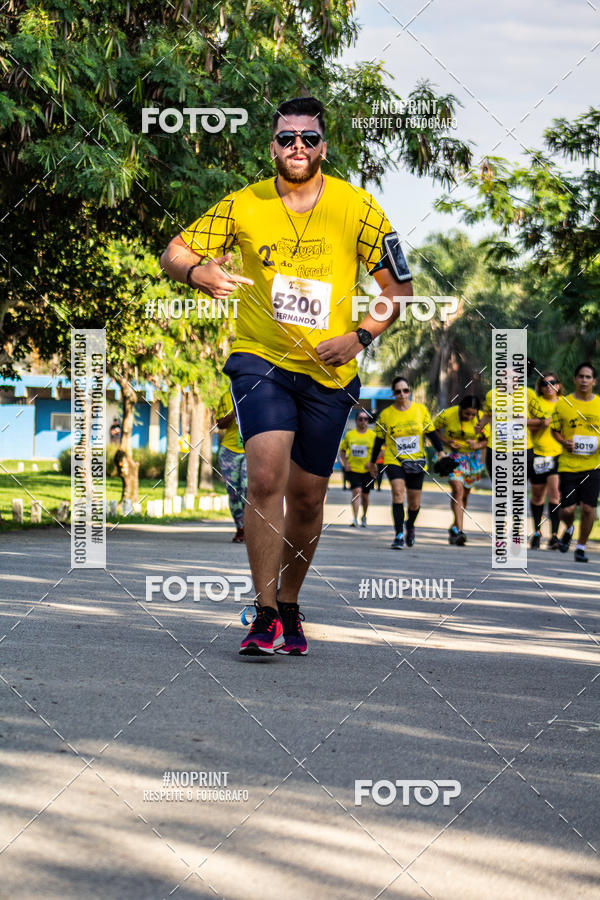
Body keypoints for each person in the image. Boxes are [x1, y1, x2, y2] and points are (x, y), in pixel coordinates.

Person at [160, 95, 413, 655]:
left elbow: (398, 293)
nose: (296, 146)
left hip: (330, 371)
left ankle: (292, 606)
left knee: (306, 499)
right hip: (260, 360)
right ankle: (264, 612)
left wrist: (360, 336)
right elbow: (172, 252)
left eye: (308, 138)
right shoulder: (243, 204)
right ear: (271, 145)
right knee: (265, 479)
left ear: (324, 146)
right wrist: (199, 270)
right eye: (286, 137)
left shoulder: (359, 207)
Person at [368, 376, 444, 549]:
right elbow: (379, 441)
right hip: (394, 459)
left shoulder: (420, 410)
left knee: (415, 502)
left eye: (405, 390)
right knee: (398, 493)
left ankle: (410, 525)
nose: (402, 394)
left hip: (416, 461)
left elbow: (431, 433)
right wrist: (373, 463)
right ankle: (398, 534)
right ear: (393, 394)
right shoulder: (386, 415)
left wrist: (441, 452)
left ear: (409, 391)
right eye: (398, 391)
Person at [551, 362, 600, 563]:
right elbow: (554, 429)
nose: (584, 380)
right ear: (574, 379)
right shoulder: (563, 404)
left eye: (588, 377)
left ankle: (580, 547)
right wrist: (563, 442)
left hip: (594, 465)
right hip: (568, 465)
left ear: (594, 381)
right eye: (581, 376)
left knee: (589, 509)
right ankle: (569, 528)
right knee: (567, 510)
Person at [434, 395, 488, 546]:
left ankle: (454, 525)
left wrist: (476, 445)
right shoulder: (448, 414)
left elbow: (488, 439)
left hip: (472, 460)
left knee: (464, 496)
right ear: (460, 409)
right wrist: (445, 441)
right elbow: (432, 430)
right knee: (457, 490)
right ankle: (460, 531)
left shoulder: (482, 419)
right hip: (453, 458)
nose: (470, 417)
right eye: (466, 414)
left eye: (473, 414)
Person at [528, 371, 563, 549]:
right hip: (537, 453)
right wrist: (541, 423)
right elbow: (523, 422)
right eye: (544, 383)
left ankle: (555, 535)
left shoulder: (565, 404)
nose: (548, 386)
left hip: (558, 454)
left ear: (558, 385)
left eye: (552, 382)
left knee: (555, 493)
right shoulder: (535, 403)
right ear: (540, 387)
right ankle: (537, 531)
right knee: (537, 496)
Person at [215, 387, 247, 543]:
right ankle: (241, 528)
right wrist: (236, 410)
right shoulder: (227, 395)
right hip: (230, 450)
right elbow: (220, 424)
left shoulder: (262, 391)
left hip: (254, 447)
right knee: (234, 491)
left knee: (248, 487)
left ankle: (251, 527)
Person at [339, 411, 376, 527]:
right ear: (356, 420)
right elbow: (342, 450)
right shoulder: (350, 435)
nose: (363, 421)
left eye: (365, 419)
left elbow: (381, 450)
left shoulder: (372, 435)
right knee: (357, 492)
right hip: (353, 469)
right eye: (360, 419)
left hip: (367, 471)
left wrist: (371, 463)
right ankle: (355, 518)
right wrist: (345, 463)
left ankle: (364, 516)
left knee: (365, 496)